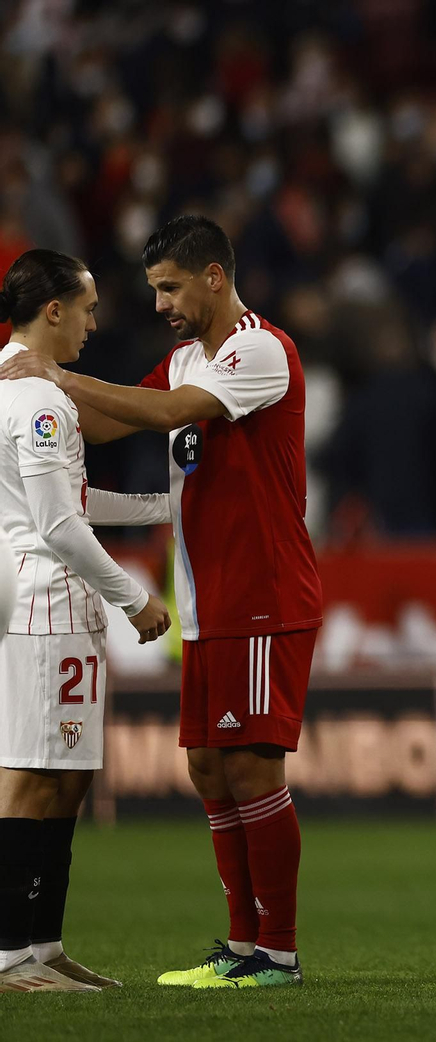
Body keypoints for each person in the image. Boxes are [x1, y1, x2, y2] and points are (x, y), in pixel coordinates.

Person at [0, 216, 323, 989]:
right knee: (209, 769)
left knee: (252, 769)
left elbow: (170, 413)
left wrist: (53, 375)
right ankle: (240, 945)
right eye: (153, 290)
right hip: (208, 599)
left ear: (214, 276)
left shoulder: (259, 348)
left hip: (262, 593)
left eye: (170, 288)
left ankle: (276, 953)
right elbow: (111, 417)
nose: (159, 305)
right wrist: (35, 388)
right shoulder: (185, 358)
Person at [0, 249, 171, 993]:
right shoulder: (37, 399)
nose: (94, 325)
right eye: (88, 309)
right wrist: (135, 598)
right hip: (45, 603)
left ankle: (44, 947)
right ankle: (9, 957)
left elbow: (70, 498)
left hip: (53, 603)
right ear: (54, 310)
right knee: (30, 778)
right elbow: (58, 525)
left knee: (66, 779)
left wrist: (163, 508)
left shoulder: (20, 388)